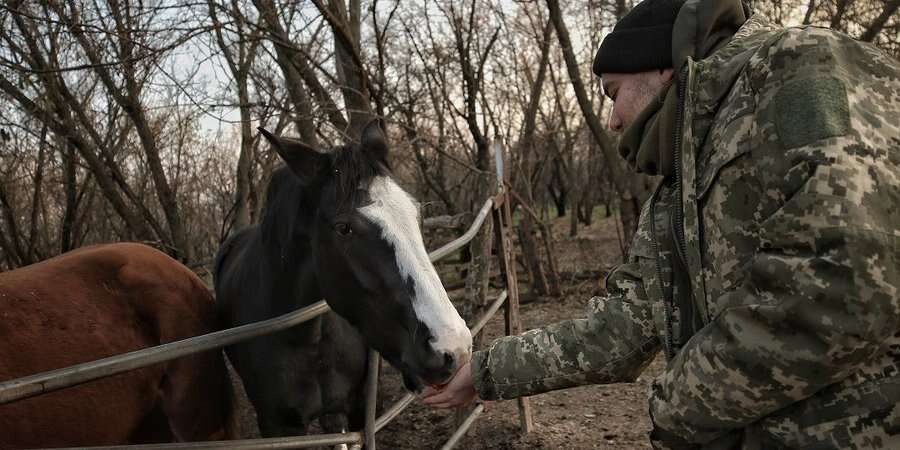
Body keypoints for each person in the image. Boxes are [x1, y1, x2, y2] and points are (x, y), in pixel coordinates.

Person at [421, 0, 900, 448]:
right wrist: (485, 373)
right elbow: (620, 328)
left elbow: (846, 281)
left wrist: (680, 403)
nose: (611, 120)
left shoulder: (799, 66)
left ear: (661, 67)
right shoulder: (680, 184)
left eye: (613, 94)